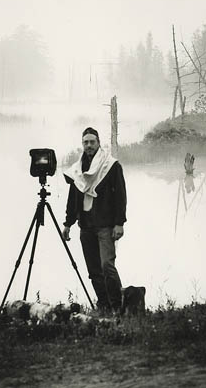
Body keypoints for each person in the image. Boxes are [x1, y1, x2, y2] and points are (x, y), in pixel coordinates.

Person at [63, 127, 127, 312]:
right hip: (86, 226)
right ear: (82, 144)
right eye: (86, 142)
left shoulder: (111, 165)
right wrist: (68, 223)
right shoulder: (77, 169)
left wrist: (119, 223)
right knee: (93, 271)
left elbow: (121, 197)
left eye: (92, 142)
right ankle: (104, 305)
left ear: (99, 143)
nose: (89, 145)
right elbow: (73, 198)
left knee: (107, 266)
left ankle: (118, 306)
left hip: (106, 226)